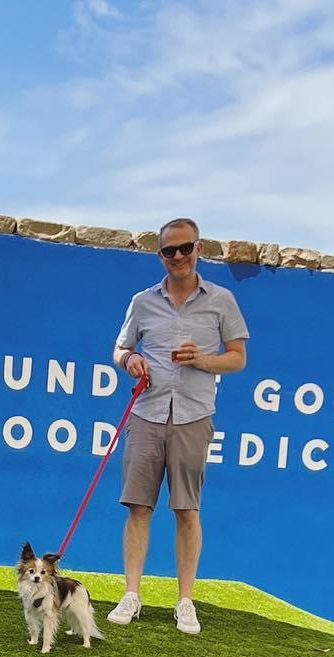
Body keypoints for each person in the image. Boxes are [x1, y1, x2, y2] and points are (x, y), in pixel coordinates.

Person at [109, 218, 248, 635]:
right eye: (170, 251)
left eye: (185, 248)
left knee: (187, 510)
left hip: (193, 415)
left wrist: (203, 360)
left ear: (198, 249)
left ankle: (184, 601)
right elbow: (120, 348)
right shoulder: (143, 301)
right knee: (138, 507)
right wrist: (129, 361)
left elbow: (238, 358)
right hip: (147, 412)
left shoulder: (221, 300)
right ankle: (131, 594)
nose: (179, 257)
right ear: (161, 256)